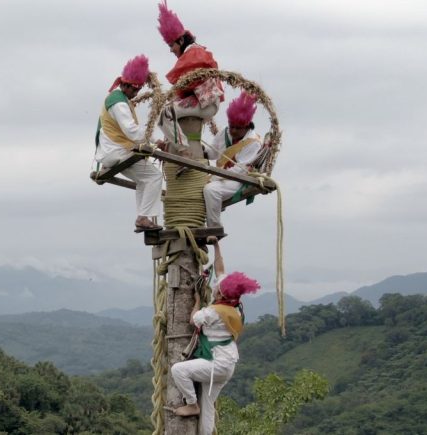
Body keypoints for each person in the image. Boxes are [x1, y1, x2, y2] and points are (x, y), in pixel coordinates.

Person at [169, 239, 260, 433]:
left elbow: (194, 320)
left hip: (216, 365)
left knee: (178, 370)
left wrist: (196, 301)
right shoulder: (233, 306)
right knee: (208, 408)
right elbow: (220, 270)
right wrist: (216, 246)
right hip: (227, 365)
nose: (216, 286)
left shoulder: (214, 312)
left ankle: (191, 404)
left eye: (218, 287)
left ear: (220, 293)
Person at [96, 54, 164, 232]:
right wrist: (157, 140)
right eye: (135, 90)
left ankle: (143, 216)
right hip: (116, 151)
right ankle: (143, 218)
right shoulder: (118, 102)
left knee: (145, 179)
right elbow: (131, 130)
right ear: (125, 85)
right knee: (154, 176)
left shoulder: (118, 99)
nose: (137, 94)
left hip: (111, 151)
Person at [156, 1, 224, 159]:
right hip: (204, 102)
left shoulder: (194, 52)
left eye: (171, 45)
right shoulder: (194, 52)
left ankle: (184, 151)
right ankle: (173, 146)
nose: (171, 50)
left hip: (205, 103)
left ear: (180, 41)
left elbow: (190, 84)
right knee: (169, 109)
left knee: (166, 113)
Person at [203, 91, 263, 227]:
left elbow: (241, 170)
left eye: (238, 128)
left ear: (247, 126)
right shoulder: (224, 132)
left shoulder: (253, 142)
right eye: (231, 126)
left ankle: (214, 228)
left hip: (239, 180)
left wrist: (213, 177)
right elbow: (212, 153)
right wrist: (200, 149)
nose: (233, 131)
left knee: (211, 190)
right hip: (219, 175)